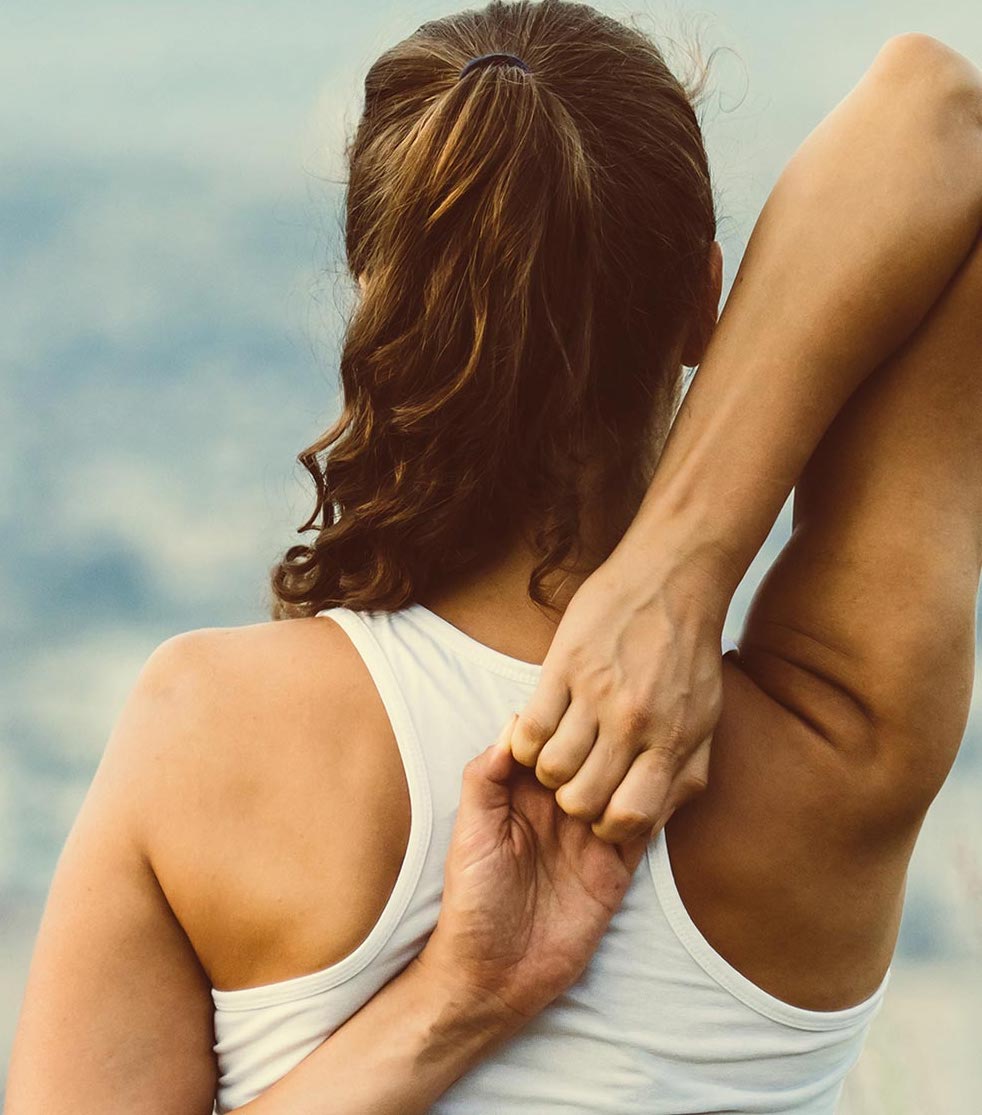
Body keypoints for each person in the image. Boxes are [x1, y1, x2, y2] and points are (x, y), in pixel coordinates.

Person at [6, 1, 981, 1112]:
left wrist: (449, 1009)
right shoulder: (837, 744)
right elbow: (941, 111)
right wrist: (684, 565)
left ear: (380, 304)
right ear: (708, 298)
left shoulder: (204, 733)